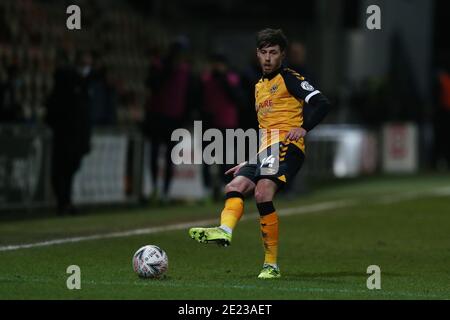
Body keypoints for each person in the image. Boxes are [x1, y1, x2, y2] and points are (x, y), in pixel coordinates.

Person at [188, 28, 331, 279]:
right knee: (235, 185)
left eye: (273, 53)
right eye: (263, 52)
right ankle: (224, 230)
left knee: (262, 192)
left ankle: (271, 265)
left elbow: (322, 103)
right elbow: (267, 129)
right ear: (257, 54)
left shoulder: (289, 78)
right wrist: (252, 159)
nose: (267, 58)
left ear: (282, 55)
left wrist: (304, 127)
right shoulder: (259, 86)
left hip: (288, 147)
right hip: (266, 149)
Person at [45, 50, 94, 215]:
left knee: (68, 169)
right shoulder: (71, 86)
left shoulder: (81, 86)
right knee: (63, 170)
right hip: (67, 136)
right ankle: (63, 202)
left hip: (73, 136)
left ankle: (65, 201)